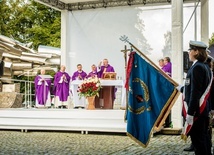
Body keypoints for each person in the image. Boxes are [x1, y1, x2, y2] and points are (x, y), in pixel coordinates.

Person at [177, 41, 212, 155]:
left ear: (196, 52)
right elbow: (195, 88)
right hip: (202, 109)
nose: (189, 53)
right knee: (204, 139)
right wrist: (182, 89)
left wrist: (190, 114)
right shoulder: (205, 67)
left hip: (196, 111)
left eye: (190, 50)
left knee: (199, 142)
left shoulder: (197, 67)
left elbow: (195, 93)